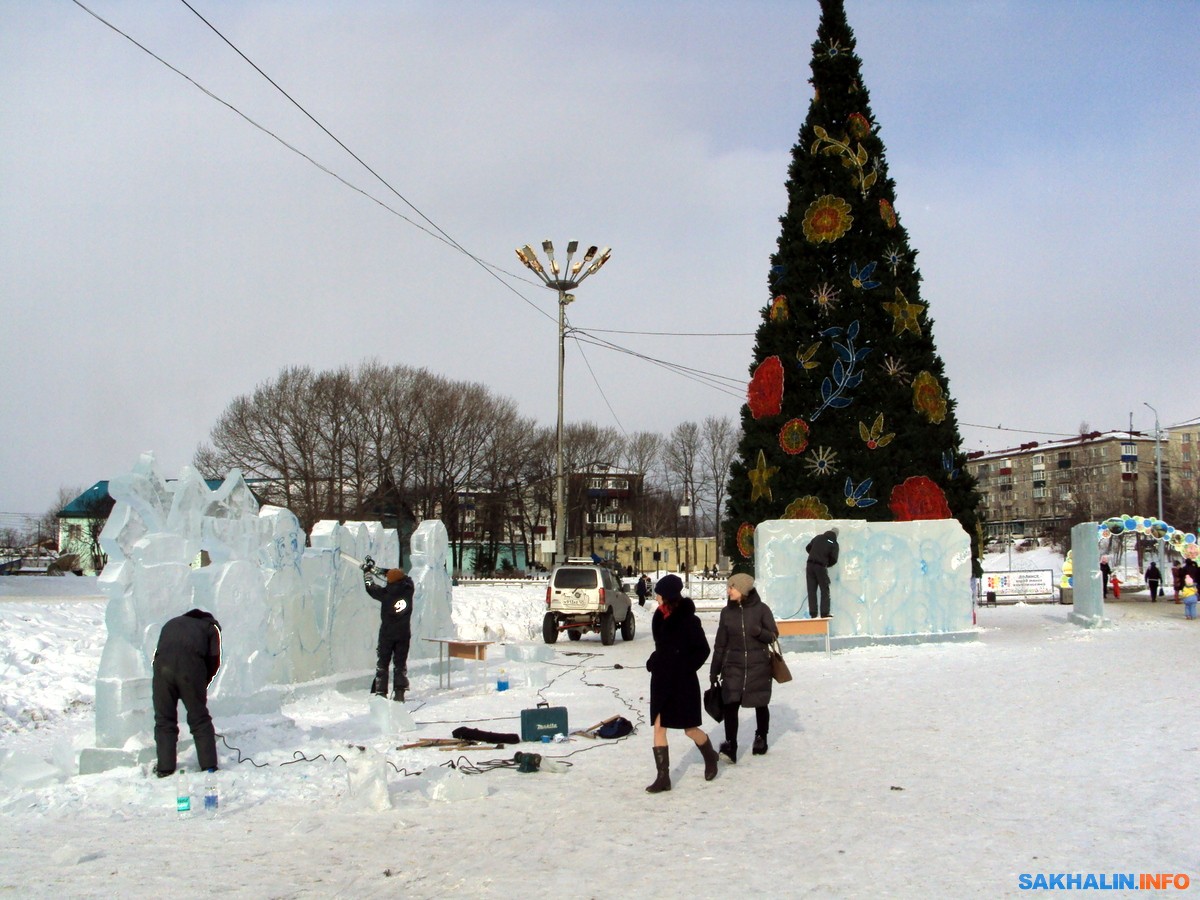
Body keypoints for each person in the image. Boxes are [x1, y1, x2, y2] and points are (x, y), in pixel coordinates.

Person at [645, 574, 719, 793]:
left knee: (689, 729)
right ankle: (663, 778)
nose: (656, 597)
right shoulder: (658, 617)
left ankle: (710, 757)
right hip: (661, 679)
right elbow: (662, 647)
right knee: (659, 725)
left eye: (658, 594)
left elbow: (703, 650)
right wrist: (655, 659)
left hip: (682, 681)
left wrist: (685, 667)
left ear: (668, 596)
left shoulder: (689, 620)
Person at [710, 573, 778, 762]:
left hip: (758, 666)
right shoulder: (726, 613)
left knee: (760, 702)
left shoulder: (762, 610)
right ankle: (731, 745)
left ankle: (761, 737)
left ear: (743, 590)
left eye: (732, 587)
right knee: (730, 705)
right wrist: (714, 670)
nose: (728, 590)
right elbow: (720, 645)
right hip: (733, 666)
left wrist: (759, 632)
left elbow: (773, 635)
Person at [152, 609, 222, 777]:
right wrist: (202, 684)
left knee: (164, 719)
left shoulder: (171, 623)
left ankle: (165, 768)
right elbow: (214, 660)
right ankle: (209, 766)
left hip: (162, 669)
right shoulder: (210, 628)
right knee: (199, 718)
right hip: (190, 670)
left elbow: (158, 652)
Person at [366, 567, 415, 701]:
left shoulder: (385, 593)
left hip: (387, 634)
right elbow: (407, 578)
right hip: (403, 634)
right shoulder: (409, 589)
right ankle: (399, 692)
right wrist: (384, 571)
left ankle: (381, 692)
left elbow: (371, 588)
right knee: (400, 664)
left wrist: (367, 575)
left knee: (383, 663)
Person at [805, 527, 840, 618]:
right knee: (824, 589)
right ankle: (824, 613)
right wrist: (826, 564)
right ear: (836, 535)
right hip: (820, 566)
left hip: (809, 565)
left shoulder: (818, 537)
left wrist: (815, 554)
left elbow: (808, 547)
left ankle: (813, 613)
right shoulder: (834, 543)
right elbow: (834, 559)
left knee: (811, 589)